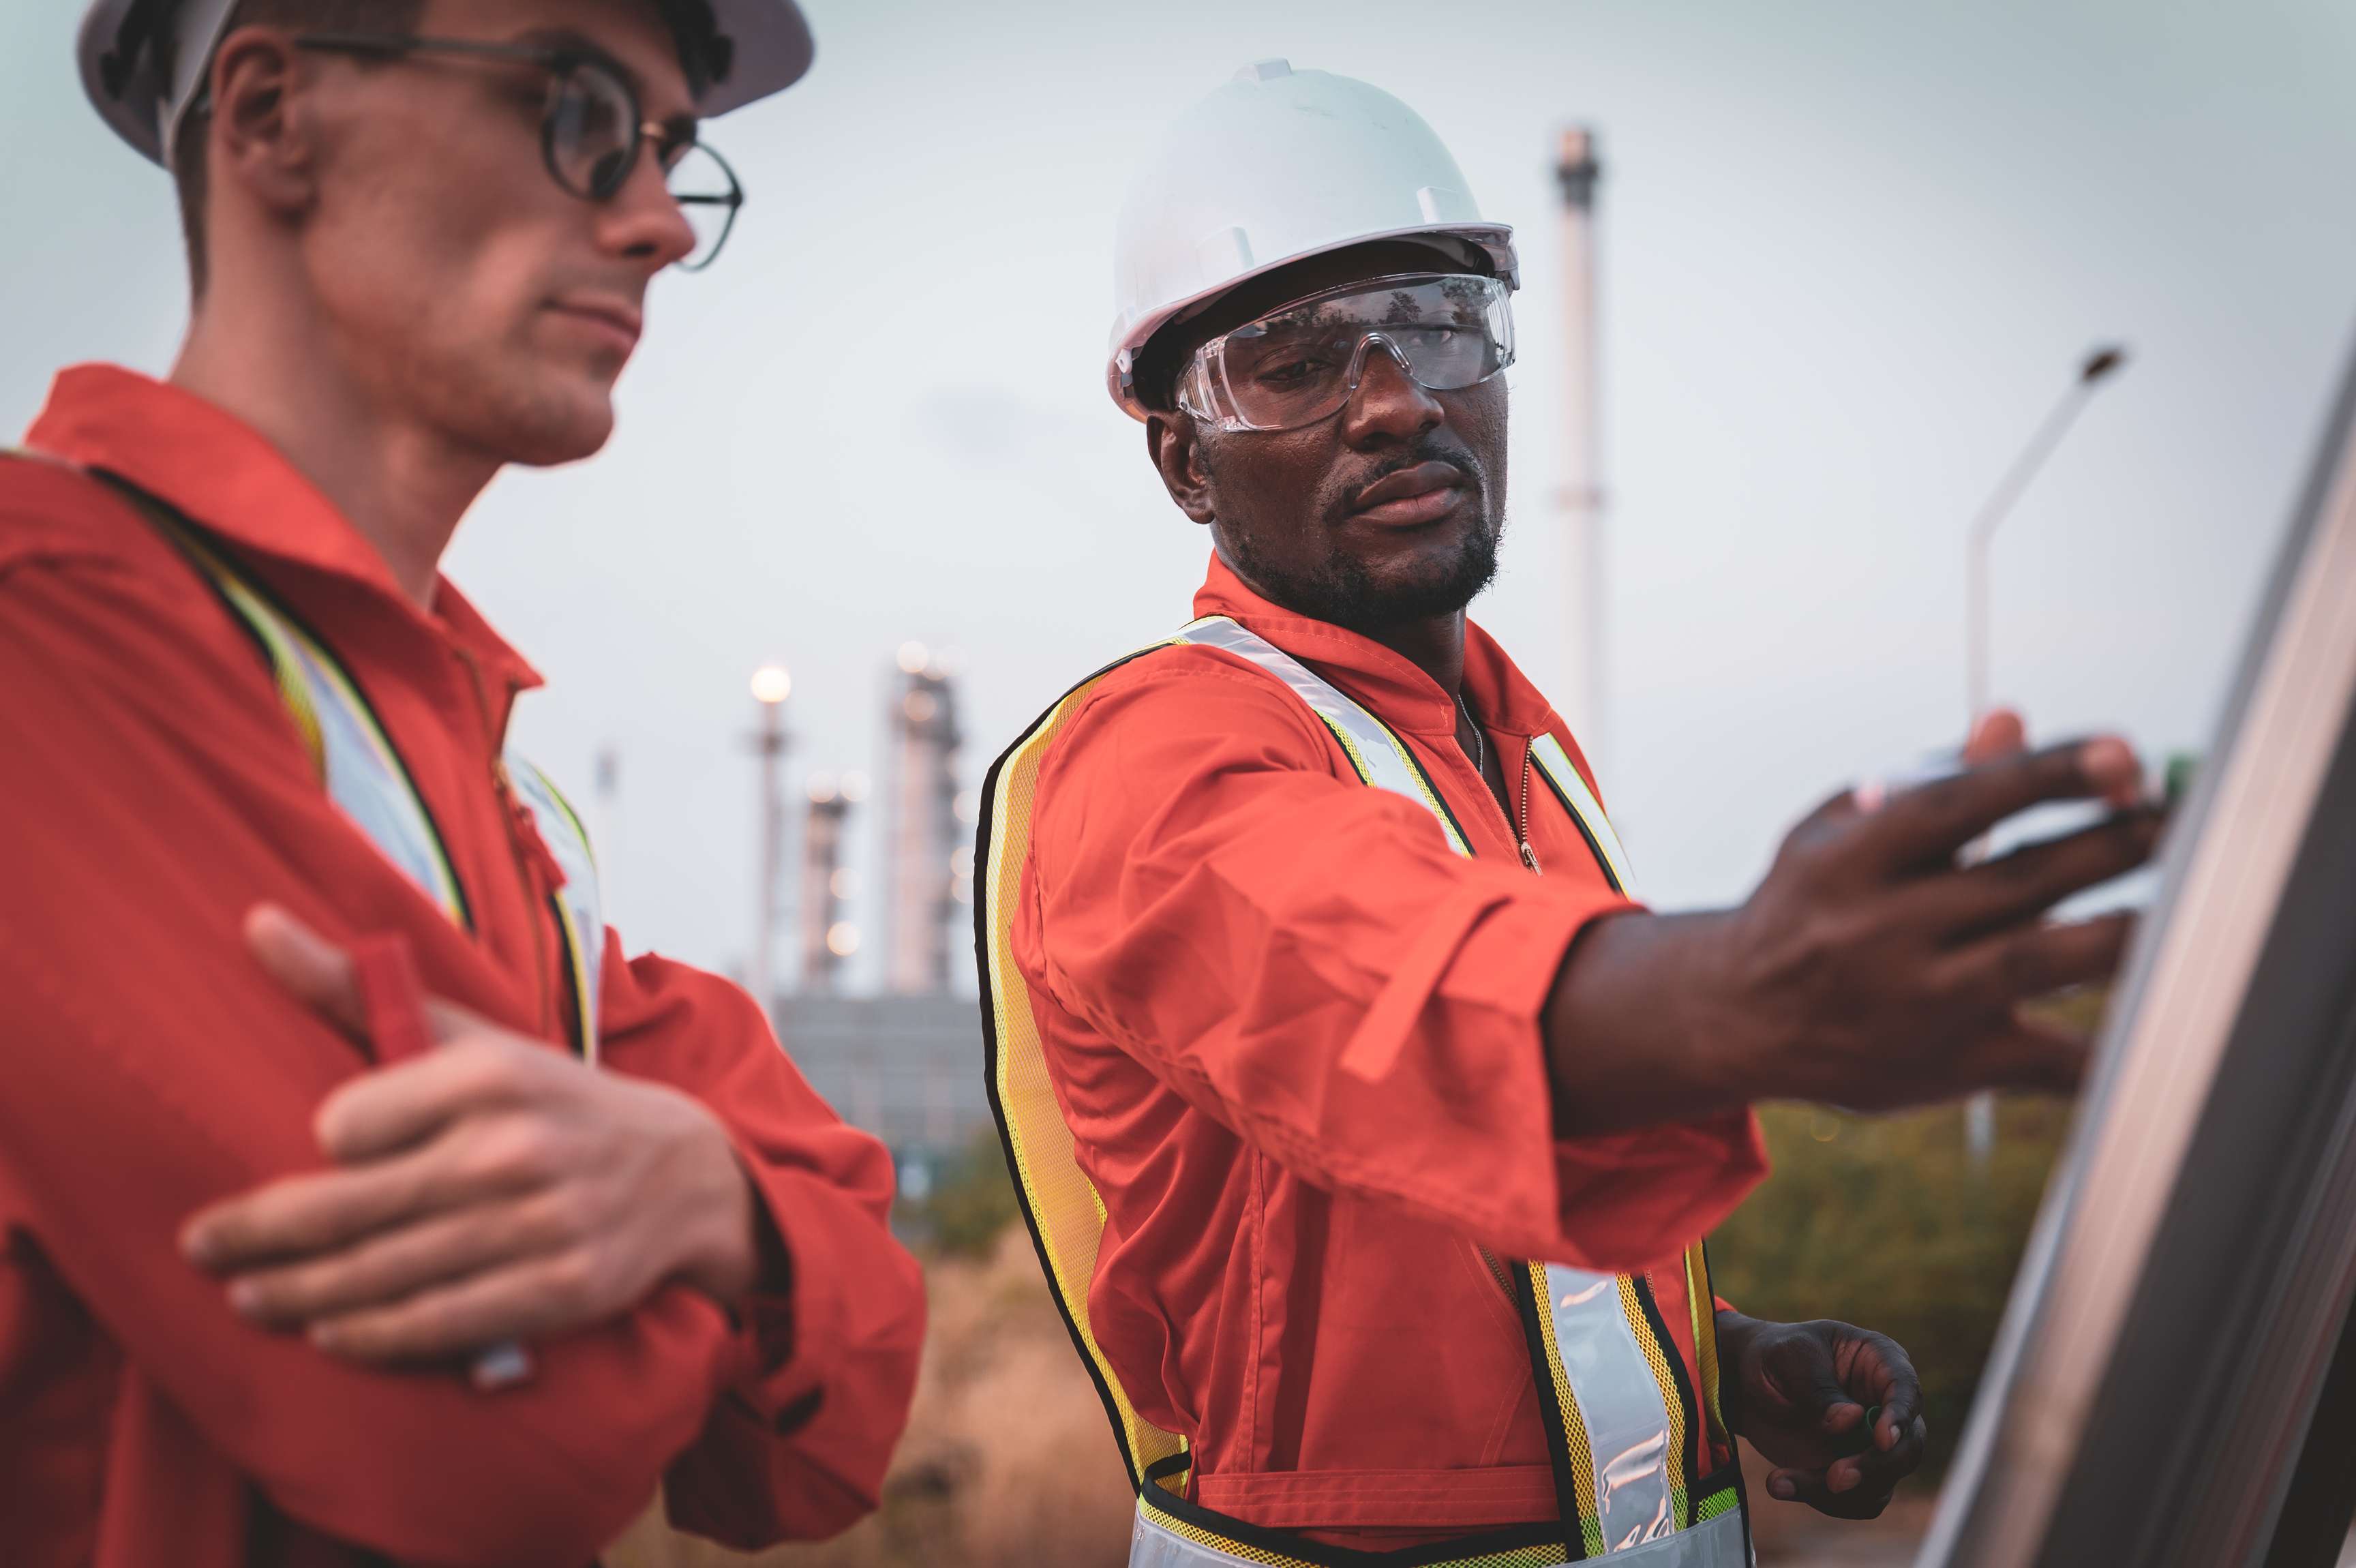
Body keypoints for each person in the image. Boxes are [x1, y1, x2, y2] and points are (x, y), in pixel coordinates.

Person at [978, 63, 2161, 1566]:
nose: (1399, 400)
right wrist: (1753, 988)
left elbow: (1434, 1226)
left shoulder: (1522, 754)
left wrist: (1706, 1363)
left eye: (1439, 323)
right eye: (1293, 359)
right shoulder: (1149, 760)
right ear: (1181, 458)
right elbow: (1380, 993)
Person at [0, 3, 924, 1565]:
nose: (649, 226)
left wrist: (714, 1198)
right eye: (574, 111)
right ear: (273, 109)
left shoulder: (465, 771)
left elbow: (826, 1434)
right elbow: (500, 1442)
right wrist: (735, 1252)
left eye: (672, 156)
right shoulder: (44, 637)